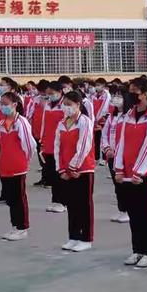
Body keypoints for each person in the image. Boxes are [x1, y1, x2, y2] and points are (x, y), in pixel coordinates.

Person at [114, 78, 147, 268]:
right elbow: (122, 143)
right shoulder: (128, 115)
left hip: (146, 173)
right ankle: (138, 250)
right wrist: (119, 168)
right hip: (127, 172)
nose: (131, 94)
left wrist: (139, 171)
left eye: (134, 91)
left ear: (144, 93)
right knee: (134, 213)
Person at [55, 91, 95, 252]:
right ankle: (73, 236)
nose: (66, 108)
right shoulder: (62, 123)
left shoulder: (84, 121)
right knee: (72, 205)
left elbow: (84, 146)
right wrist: (61, 169)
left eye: (69, 104)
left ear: (78, 105)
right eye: (64, 104)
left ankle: (86, 238)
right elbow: (58, 147)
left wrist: (73, 167)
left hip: (83, 169)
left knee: (84, 205)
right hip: (67, 170)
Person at [0, 92, 35, 241]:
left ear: (15, 104)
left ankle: (22, 227)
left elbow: (29, 144)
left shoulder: (21, 122)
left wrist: (25, 162)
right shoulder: (1, 124)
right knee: (11, 198)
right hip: (5, 165)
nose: (3, 106)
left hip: (18, 166)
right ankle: (14, 226)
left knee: (19, 197)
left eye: (6, 104)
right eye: (1, 103)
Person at [101, 86, 131, 223]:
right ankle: (122, 210)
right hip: (111, 155)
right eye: (115, 95)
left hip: (124, 156)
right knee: (117, 184)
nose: (116, 99)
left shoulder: (129, 115)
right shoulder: (112, 116)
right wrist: (106, 148)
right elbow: (105, 133)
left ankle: (128, 210)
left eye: (119, 95)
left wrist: (118, 151)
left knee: (125, 184)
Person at [41, 81, 66, 213]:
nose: (50, 96)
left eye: (52, 93)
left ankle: (62, 201)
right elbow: (44, 123)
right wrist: (42, 140)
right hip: (49, 144)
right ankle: (55, 200)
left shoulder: (65, 105)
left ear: (60, 92)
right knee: (52, 174)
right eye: (48, 93)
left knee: (60, 174)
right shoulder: (48, 105)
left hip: (61, 144)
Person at [26, 79, 49, 186]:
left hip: (48, 134)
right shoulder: (35, 100)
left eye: (44, 92)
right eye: (41, 92)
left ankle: (50, 178)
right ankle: (44, 177)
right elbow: (29, 115)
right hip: (36, 132)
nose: (42, 94)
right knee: (41, 156)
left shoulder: (52, 101)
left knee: (48, 156)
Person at [91, 78, 111, 164]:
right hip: (95, 120)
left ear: (103, 86)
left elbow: (105, 108)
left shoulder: (107, 95)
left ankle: (104, 158)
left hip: (103, 120)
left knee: (104, 138)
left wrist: (100, 118)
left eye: (99, 85)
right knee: (96, 139)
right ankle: (96, 157)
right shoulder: (93, 96)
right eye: (97, 85)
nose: (97, 87)